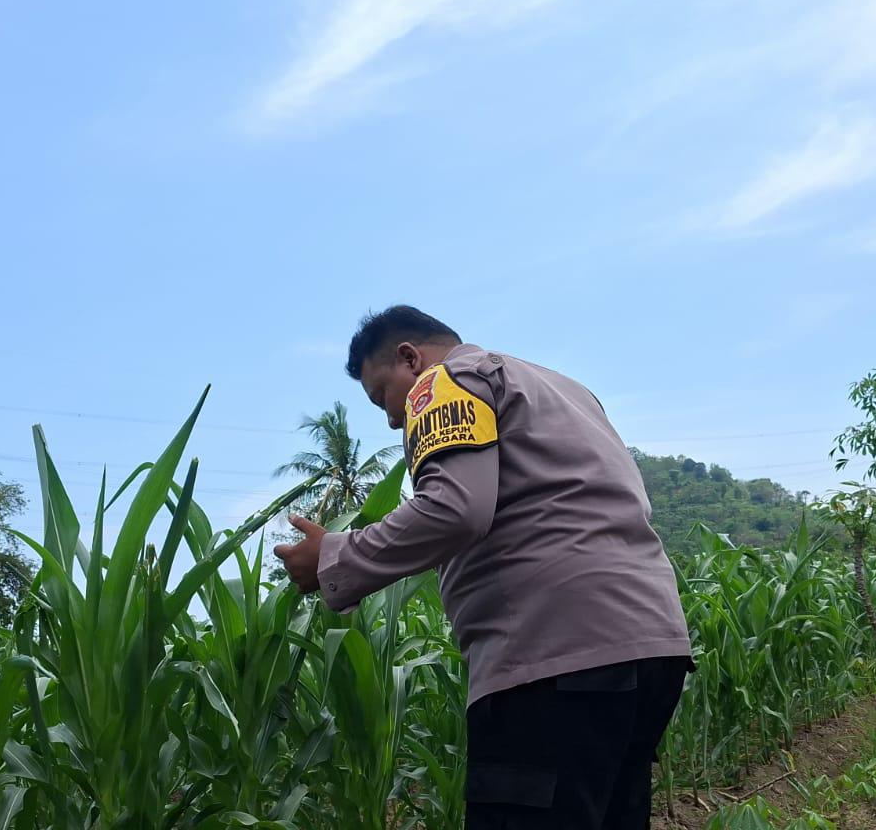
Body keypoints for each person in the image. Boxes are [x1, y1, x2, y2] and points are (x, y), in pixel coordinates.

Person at [275, 305, 693, 829]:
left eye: (382, 395)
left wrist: (334, 558)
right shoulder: (566, 390)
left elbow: (455, 508)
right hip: (652, 647)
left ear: (410, 358)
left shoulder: (446, 380)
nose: (391, 418)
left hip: (553, 652)